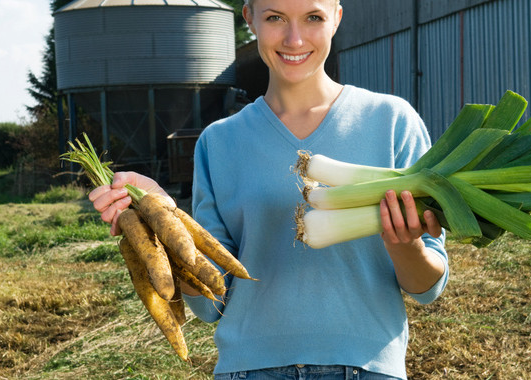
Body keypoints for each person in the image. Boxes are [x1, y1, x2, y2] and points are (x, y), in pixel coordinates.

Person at [88, 0, 448, 378]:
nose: (294, 39)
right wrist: (160, 218)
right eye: (275, 17)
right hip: (250, 370)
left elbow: (427, 288)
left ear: (337, 19)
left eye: (313, 17)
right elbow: (211, 304)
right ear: (250, 19)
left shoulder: (391, 122)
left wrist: (404, 245)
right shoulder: (219, 142)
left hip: (367, 367)